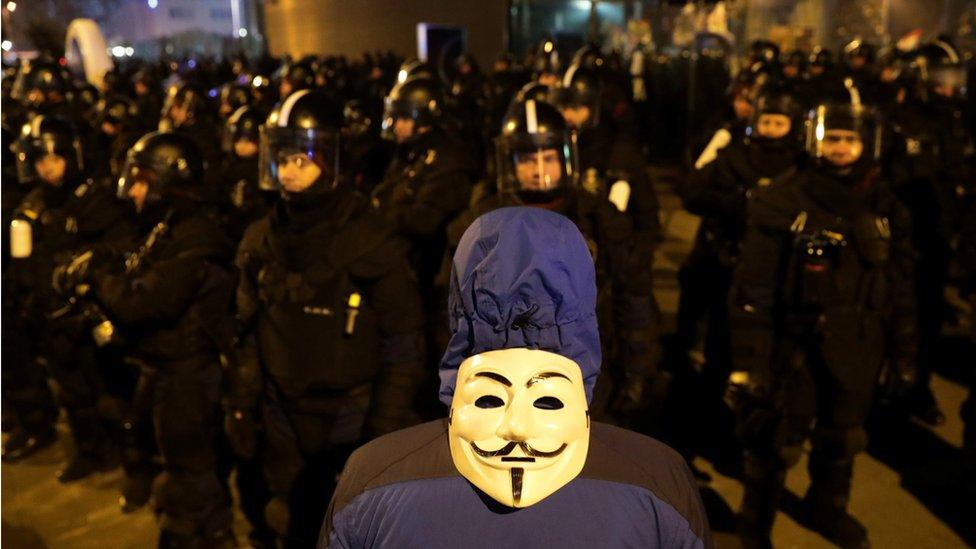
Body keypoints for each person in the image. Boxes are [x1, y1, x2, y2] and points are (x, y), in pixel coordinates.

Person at [322, 207, 711, 548]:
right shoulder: (659, 481)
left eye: (546, 400)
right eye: (490, 399)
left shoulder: (373, 477)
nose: (518, 428)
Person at [226, 89, 426, 547]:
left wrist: (383, 434)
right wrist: (241, 404)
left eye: (303, 158)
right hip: (282, 411)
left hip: (350, 413)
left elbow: (403, 344)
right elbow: (249, 333)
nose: (290, 171)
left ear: (330, 158)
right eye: (283, 158)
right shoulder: (261, 238)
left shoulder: (369, 237)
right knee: (292, 520)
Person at [728, 90, 916, 549]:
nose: (840, 148)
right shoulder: (785, 201)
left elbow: (901, 285)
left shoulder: (885, 206)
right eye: (831, 137)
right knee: (775, 441)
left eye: (850, 139)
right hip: (794, 345)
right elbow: (753, 287)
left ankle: (827, 507)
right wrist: (750, 360)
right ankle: (756, 523)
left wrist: (903, 350)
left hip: (858, 341)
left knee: (843, 435)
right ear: (814, 139)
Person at [444, 98, 662, 428]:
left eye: (548, 157)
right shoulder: (481, 225)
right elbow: (452, 312)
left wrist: (638, 369)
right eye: (528, 159)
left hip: (588, 378)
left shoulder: (599, 218)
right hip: (500, 386)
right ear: (509, 162)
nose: (539, 170)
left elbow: (632, 297)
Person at [84, 131, 236, 547]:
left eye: (142, 180)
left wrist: (97, 276)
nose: (133, 190)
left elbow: (145, 302)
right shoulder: (170, 227)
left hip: (189, 375)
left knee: (192, 470)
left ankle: (196, 531)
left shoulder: (197, 238)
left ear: (168, 182)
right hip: (169, 368)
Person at [669, 87, 804, 463]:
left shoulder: (799, 164)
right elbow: (692, 191)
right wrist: (737, 203)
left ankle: (756, 431)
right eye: (766, 121)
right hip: (722, 267)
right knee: (719, 350)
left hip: (772, 275)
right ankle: (714, 427)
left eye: (780, 122)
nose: (772, 129)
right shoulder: (734, 156)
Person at [8, 115, 131, 480]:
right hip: (53, 319)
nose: (47, 169)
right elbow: (23, 264)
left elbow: (116, 252)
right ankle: (91, 449)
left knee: (107, 388)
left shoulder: (95, 200)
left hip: (90, 317)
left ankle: (124, 452)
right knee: (72, 392)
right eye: (40, 161)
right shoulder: (34, 207)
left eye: (54, 159)